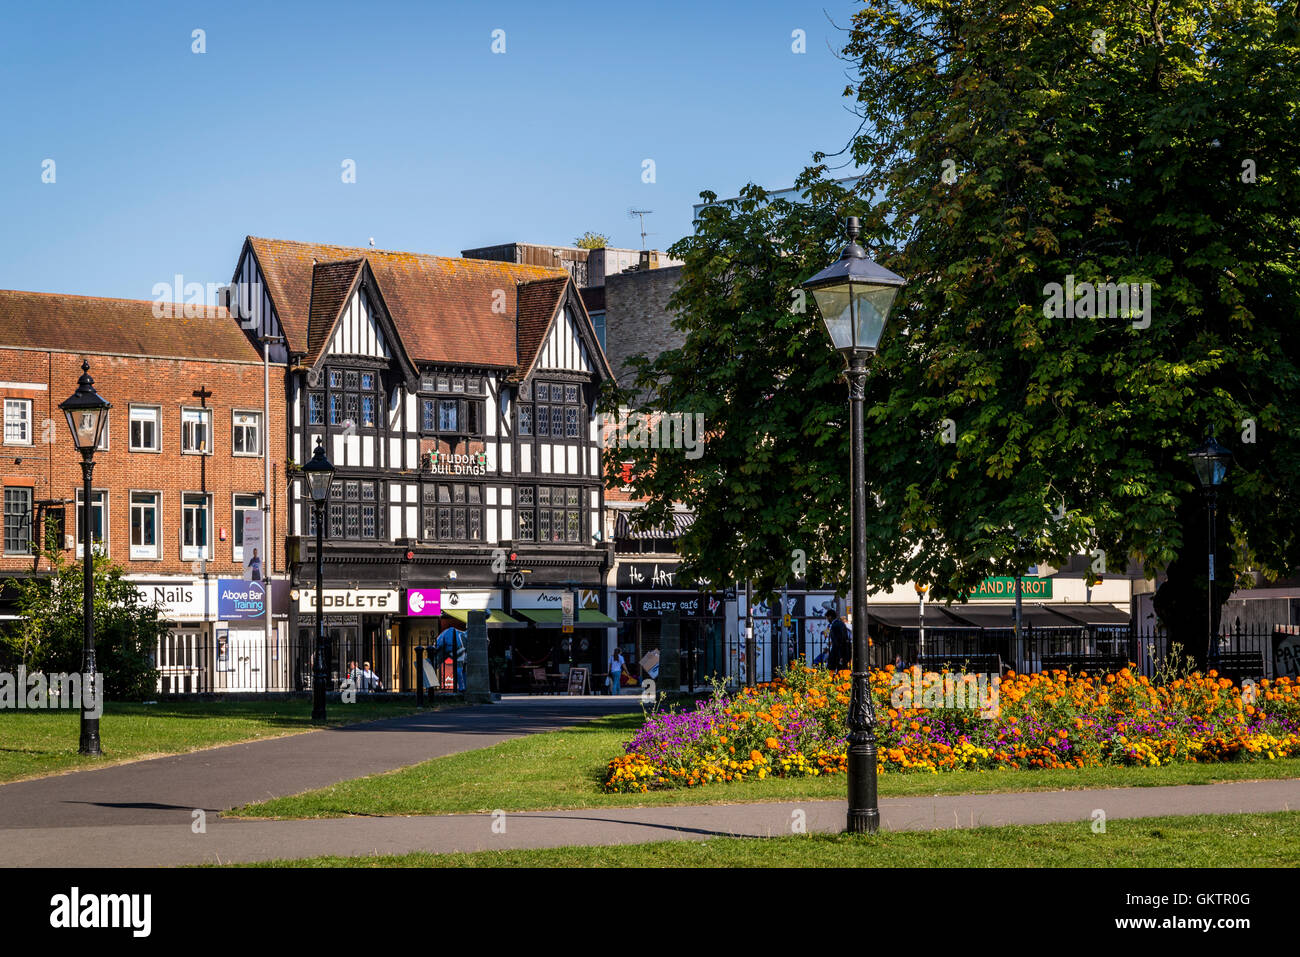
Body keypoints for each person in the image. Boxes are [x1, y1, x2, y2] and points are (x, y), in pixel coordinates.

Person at [433, 622, 466, 691]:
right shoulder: (451, 635)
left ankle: (462, 686)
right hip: (453, 645)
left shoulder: (445, 635)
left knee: (460, 667)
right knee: (459, 667)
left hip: (446, 645)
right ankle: (462, 686)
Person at [826, 605, 852, 672]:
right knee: (842, 670)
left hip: (838, 651)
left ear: (830, 617)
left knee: (831, 668)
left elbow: (838, 641)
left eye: (827, 618)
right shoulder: (841, 623)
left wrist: (840, 654)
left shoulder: (835, 625)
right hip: (843, 650)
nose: (827, 620)